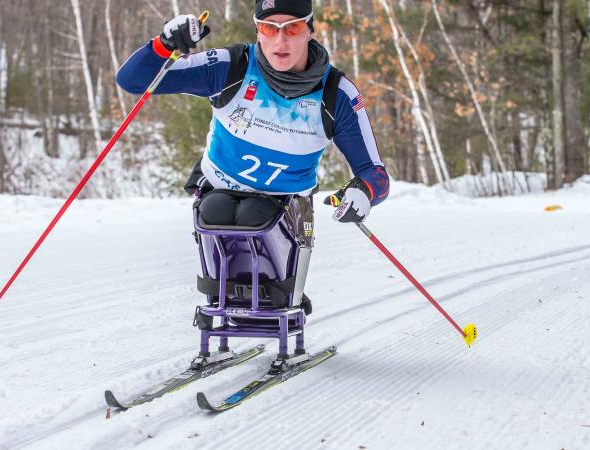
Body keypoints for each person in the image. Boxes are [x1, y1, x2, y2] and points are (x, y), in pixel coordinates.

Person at [116, 0, 389, 312]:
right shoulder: (231, 66)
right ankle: (224, 308)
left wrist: (363, 193)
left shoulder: (336, 93)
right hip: (218, 187)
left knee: (255, 217)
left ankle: (280, 299)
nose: (280, 41)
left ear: (310, 31)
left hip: (284, 205)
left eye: (293, 28)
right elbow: (133, 80)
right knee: (218, 212)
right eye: (269, 29)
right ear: (258, 32)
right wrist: (164, 45)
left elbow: (374, 172)